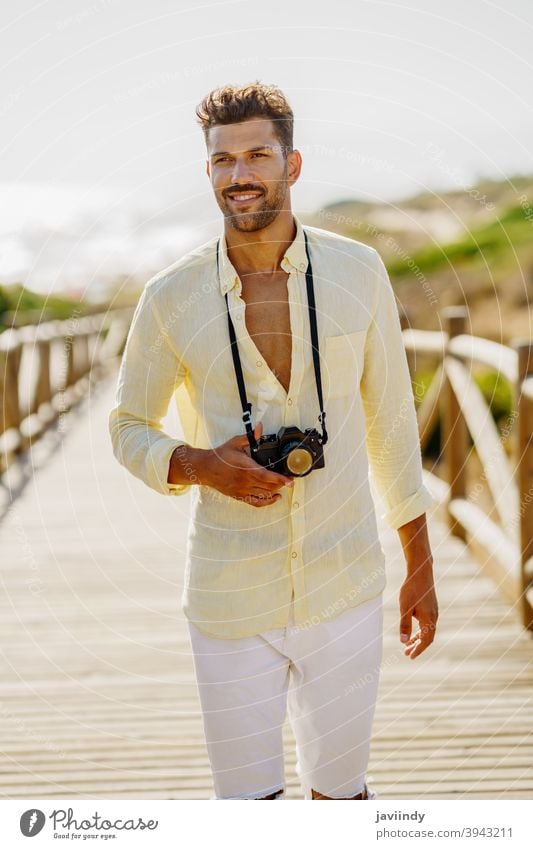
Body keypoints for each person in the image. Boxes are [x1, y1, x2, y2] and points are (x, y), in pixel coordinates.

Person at [108, 81, 439, 800]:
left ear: (291, 164)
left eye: (257, 153)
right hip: (229, 596)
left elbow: (390, 422)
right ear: (208, 172)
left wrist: (419, 563)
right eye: (223, 160)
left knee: (342, 795)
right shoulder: (169, 295)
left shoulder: (359, 272)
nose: (240, 174)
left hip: (346, 580)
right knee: (247, 811)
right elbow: (126, 425)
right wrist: (198, 464)